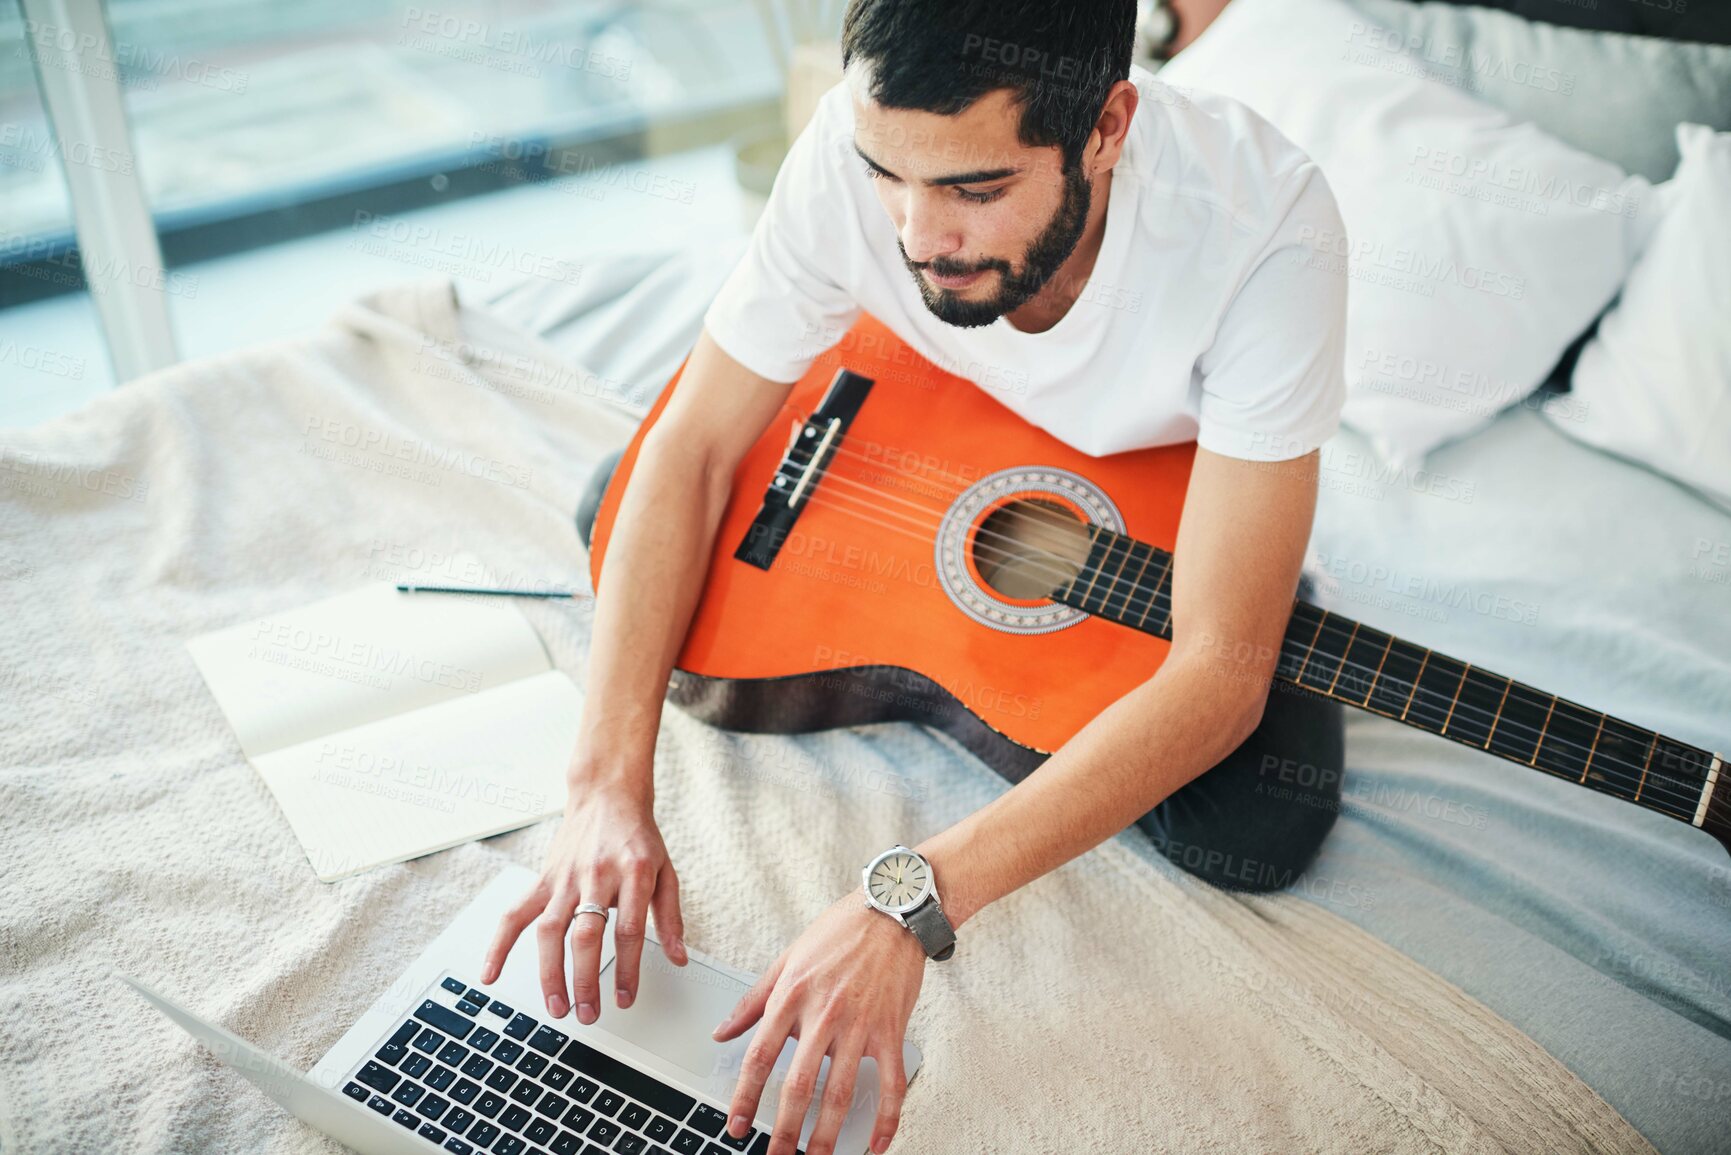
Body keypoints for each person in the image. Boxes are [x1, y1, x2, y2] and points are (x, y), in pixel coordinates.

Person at [484, 3, 1348, 1152]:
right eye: (887, 175)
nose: (915, 232)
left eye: (976, 191)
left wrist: (909, 898)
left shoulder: (1266, 229)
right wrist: (603, 787)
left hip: (1154, 512)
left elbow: (1224, 668)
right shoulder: (854, 158)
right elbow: (690, 448)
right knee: (623, 503)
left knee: (1258, 808)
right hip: (913, 442)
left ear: (1108, 125)